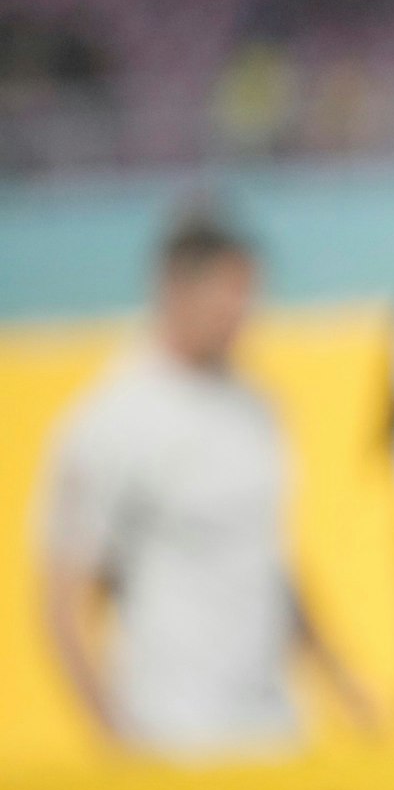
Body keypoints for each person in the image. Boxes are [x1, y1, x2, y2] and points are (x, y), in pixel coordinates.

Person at [41, 207, 372, 758]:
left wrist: (341, 683)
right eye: (228, 293)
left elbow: (271, 563)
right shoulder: (111, 420)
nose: (242, 312)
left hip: (275, 727)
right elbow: (64, 599)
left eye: (248, 293)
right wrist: (112, 739)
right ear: (174, 288)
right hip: (172, 731)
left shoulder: (258, 408)